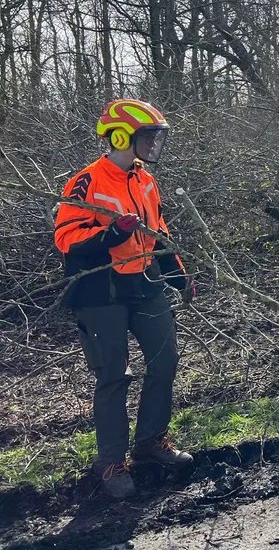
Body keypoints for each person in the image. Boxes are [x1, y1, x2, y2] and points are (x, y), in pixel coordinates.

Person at [54, 99, 194, 499]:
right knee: (114, 375)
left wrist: (178, 275)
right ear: (121, 136)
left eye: (155, 136)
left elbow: (158, 230)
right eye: (147, 136)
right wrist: (110, 234)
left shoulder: (145, 180)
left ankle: (151, 442)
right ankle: (111, 462)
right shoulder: (86, 181)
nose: (153, 143)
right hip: (102, 291)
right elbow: (65, 237)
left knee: (165, 359)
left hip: (145, 282)